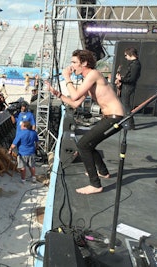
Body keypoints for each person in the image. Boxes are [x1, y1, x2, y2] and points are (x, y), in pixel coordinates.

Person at [45, 49, 125, 195]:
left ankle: (95, 185)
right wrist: (57, 94)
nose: (72, 65)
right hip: (109, 117)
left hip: (115, 117)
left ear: (85, 63)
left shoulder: (93, 74)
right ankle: (103, 172)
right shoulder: (88, 79)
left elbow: (74, 96)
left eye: (74, 62)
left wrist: (66, 77)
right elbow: (74, 103)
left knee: (83, 145)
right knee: (89, 144)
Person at [115, 47, 141, 130]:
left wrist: (121, 79)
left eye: (126, 55)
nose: (125, 57)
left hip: (128, 87)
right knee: (124, 105)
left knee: (126, 106)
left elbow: (132, 78)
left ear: (131, 54)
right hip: (126, 86)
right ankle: (128, 123)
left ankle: (130, 124)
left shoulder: (135, 65)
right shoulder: (133, 64)